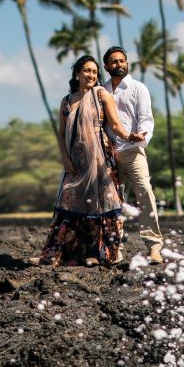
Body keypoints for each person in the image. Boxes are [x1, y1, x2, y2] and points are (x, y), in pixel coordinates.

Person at [39, 55, 143, 267]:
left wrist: (129, 136)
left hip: (101, 159)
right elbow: (61, 133)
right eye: (87, 71)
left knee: (100, 206)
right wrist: (66, 159)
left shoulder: (101, 94)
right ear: (77, 73)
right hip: (76, 162)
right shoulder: (67, 101)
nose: (91, 75)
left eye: (95, 72)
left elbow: (114, 124)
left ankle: (98, 254)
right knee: (68, 205)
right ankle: (56, 255)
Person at [101, 46, 164, 264]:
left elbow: (146, 118)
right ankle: (113, 249)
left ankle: (154, 247)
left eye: (122, 61)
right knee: (112, 201)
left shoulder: (138, 88)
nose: (119, 64)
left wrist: (140, 137)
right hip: (108, 154)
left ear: (127, 63)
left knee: (145, 193)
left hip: (132, 151)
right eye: (114, 62)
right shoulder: (102, 90)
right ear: (106, 66)